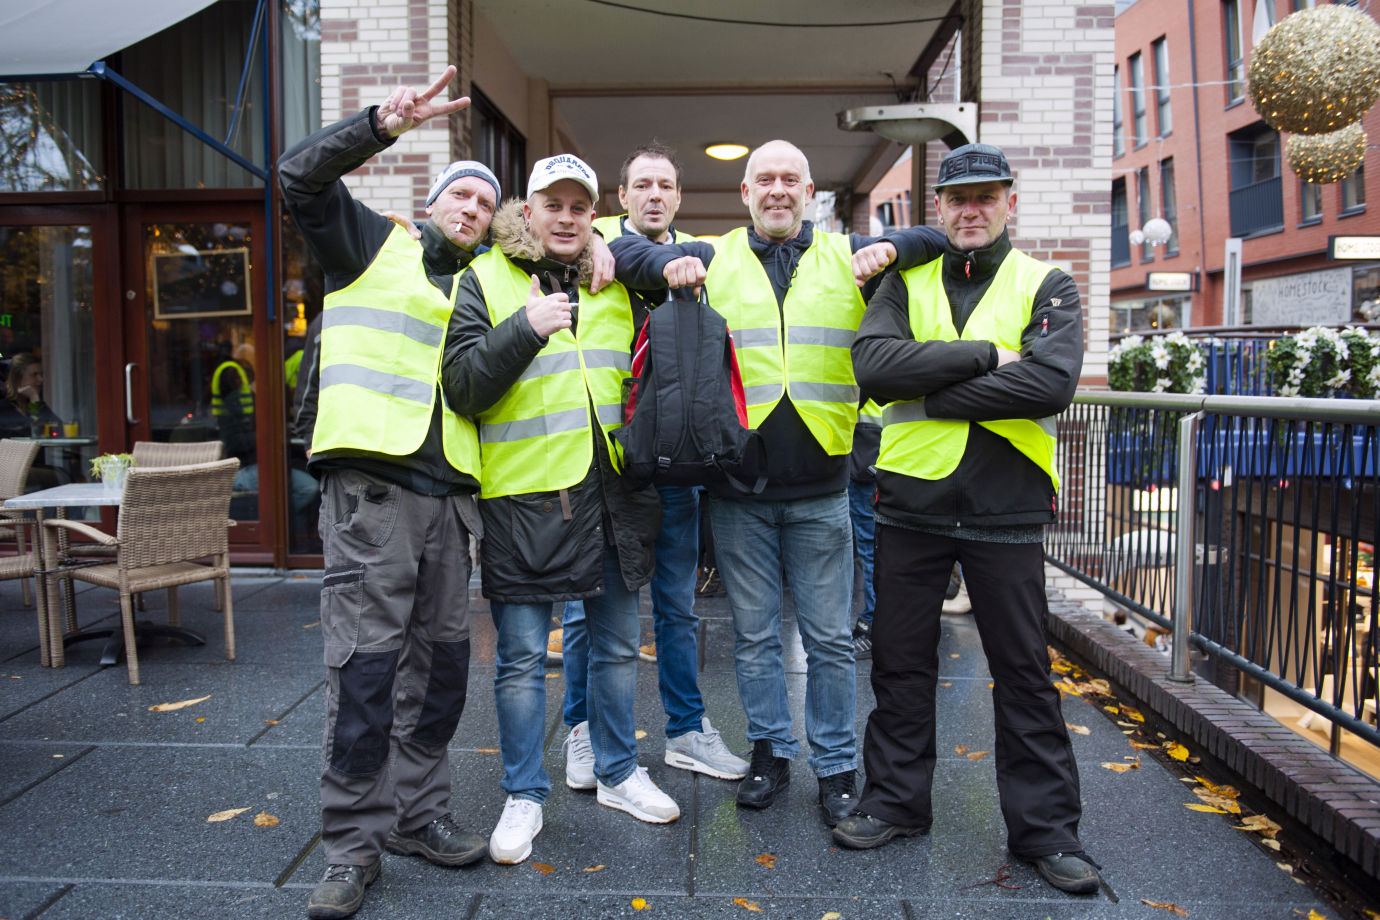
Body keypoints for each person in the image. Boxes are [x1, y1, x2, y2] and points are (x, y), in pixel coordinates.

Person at [610, 139, 945, 827]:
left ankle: (835, 764)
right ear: (745, 193)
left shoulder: (847, 256)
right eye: (764, 179)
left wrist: (894, 247)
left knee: (828, 639)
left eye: (791, 178)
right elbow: (630, 254)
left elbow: (937, 236)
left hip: (823, 486)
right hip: (740, 492)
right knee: (755, 638)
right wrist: (630, 254)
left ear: (811, 189)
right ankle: (770, 751)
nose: (778, 190)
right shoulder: (712, 258)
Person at [832, 143, 1100, 895]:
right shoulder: (904, 278)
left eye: (986, 197)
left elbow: (1049, 384)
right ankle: (893, 802)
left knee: (1023, 675)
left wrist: (931, 391)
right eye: (958, 199)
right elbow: (875, 368)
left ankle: (1047, 832)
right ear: (939, 209)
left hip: (1005, 505)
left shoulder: (1045, 281)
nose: (972, 210)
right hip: (910, 504)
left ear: (1009, 201)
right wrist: (988, 356)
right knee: (899, 664)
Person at [280, 65, 498, 920]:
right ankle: (351, 848)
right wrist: (380, 122)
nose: (472, 210)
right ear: (434, 202)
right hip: (373, 494)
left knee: (441, 672)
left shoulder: (485, 282)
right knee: (366, 673)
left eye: (485, 204)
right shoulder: (373, 244)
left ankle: (419, 815)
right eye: (461, 197)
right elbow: (297, 177)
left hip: (452, 500)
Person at [441, 153, 674, 867]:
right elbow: (461, 387)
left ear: (593, 216)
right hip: (525, 500)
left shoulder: (615, 278)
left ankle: (615, 771)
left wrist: (613, 251)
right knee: (517, 659)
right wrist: (524, 328)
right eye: (554, 205)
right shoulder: (482, 279)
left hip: (610, 495)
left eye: (580, 207)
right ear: (529, 211)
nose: (567, 217)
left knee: (611, 647)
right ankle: (524, 793)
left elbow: (688, 270)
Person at [555, 143, 748, 792]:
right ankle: (581, 731)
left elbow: (710, 259)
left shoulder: (699, 251)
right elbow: (642, 258)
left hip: (674, 464)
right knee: (587, 612)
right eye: (643, 184)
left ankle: (688, 731)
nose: (655, 194)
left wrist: (682, 258)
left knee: (676, 606)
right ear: (622, 194)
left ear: (678, 197)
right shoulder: (598, 243)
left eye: (666, 185)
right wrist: (667, 260)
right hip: (606, 468)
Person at [847, 400, 882, 659]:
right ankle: (873, 620)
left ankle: (874, 624)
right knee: (872, 548)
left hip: (866, 447)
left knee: (870, 549)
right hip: (875, 445)